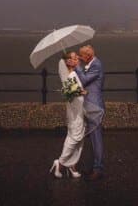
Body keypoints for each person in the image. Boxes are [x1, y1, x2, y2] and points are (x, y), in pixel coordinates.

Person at [49, 51, 85, 179]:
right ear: (69, 62)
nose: (78, 58)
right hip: (76, 112)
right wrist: (81, 92)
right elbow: (72, 95)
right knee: (75, 137)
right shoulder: (71, 77)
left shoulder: (73, 74)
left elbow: (74, 91)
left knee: (78, 138)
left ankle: (72, 164)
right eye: (75, 58)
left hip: (77, 111)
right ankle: (61, 162)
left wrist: (80, 91)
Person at [73, 44, 105, 181]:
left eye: (82, 55)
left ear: (89, 56)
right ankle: (93, 167)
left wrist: (77, 67)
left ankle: (98, 168)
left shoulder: (96, 65)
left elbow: (85, 80)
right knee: (92, 138)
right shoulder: (93, 64)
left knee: (96, 139)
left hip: (94, 106)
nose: (80, 57)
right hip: (90, 105)